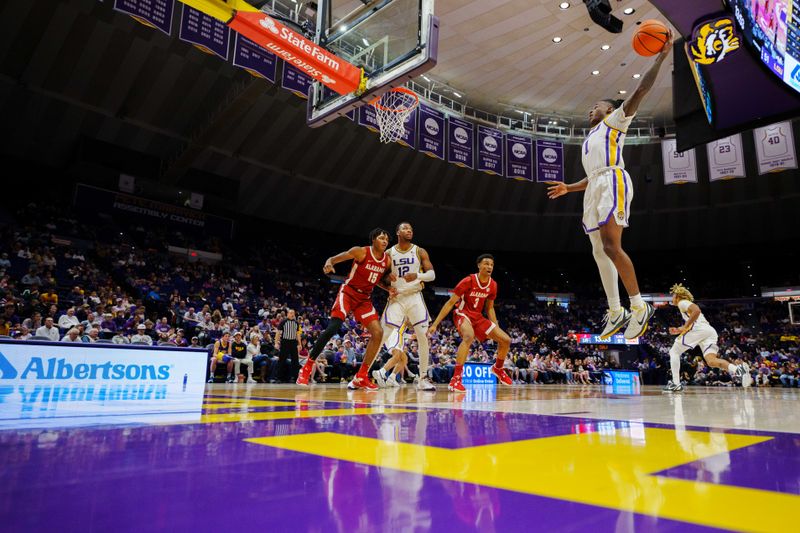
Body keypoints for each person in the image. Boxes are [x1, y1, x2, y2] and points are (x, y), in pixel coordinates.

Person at [546, 31, 673, 340]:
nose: (592, 109)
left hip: (613, 182)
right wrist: (570, 188)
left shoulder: (616, 120)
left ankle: (639, 306)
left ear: (610, 108)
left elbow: (642, 88)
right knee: (598, 251)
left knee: (611, 245)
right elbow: (592, 176)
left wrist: (660, 57)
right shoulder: (589, 138)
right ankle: (615, 310)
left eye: (596, 105)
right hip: (595, 187)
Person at [296, 228, 393, 390]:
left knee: (378, 333)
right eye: (382, 238)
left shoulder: (387, 261)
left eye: (387, 239)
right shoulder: (360, 252)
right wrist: (329, 262)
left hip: (364, 299)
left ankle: (361, 376)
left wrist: (388, 288)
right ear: (373, 240)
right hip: (348, 292)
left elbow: (377, 279)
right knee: (334, 326)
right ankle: (306, 367)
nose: (385, 241)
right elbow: (334, 258)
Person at [428, 254, 513, 392]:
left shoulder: (493, 285)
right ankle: (455, 380)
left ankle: (497, 368)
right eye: (486, 263)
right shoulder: (468, 280)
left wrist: (495, 327)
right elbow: (450, 303)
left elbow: (490, 308)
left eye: (491, 264)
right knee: (468, 336)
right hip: (462, 313)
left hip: (478, 317)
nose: (489, 267)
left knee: (506, 340)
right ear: (479, 265)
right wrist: (435, 324)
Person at [372, 222, 436, 391]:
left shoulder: (419, 251)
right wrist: (387, 284)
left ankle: (422, 379)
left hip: (415, 296)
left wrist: (418, 275)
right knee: (382, 334)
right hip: (397, 297)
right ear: (398, 232)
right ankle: (362, 376)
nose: (409, 231)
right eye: (405, 228)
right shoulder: (389, 253)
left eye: (411, 229)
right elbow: (377, 276)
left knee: (423, 336)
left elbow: (431, 275)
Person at [664, 284, 752, 392]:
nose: (672, 298)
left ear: (678, 296)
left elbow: (696, 311)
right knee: (711, 362)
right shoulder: (684, 305)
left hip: (700, 330)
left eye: (673, 296)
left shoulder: (682, 302)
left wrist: (685, 326)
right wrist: (679, 329)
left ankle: (676, 383)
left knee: (674, 352)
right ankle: (739, 370)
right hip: (709, 331)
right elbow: (693, 320)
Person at [275, 309, 300, 383]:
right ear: (288, 314)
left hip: (293, 342)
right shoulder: (283, 322)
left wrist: (300, 344)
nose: (292, 314)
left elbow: (298, 334)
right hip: (285, 342)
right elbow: (278, 333)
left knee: (295, 361)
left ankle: (295, 377)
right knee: (282, 360)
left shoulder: (296, 323)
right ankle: (278, 378)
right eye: (291, 313)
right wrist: (276, 342)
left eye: (293, 313)